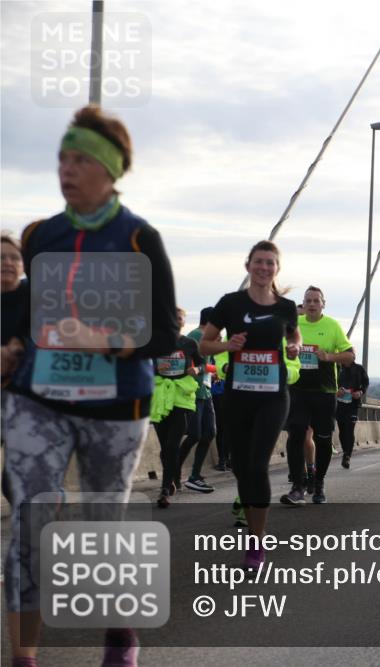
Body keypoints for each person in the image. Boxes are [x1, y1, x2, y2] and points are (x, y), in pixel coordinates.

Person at [3, 105, 179, 666]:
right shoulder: (39, 235)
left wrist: (104, 341)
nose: (66, 169)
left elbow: (165, 333)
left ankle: (119, 632)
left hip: (116, 401)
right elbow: (30, 306)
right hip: (39, 398)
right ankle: (24, 657)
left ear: (111, 170)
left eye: (80, 159)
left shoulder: (138, 239)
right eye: (62, 157)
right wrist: (12, 347)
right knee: (31, 517)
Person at [199, 239, 301, 570]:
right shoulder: (230, 303)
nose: (263, 267)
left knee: (257, 464)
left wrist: (294, 347)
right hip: (238, 395)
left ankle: (257, 543)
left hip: (273, 396)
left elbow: (294, 335)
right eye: (258, 262)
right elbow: (204, 346)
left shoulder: (285, 307)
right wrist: (229, 343)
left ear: (277, 268)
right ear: (248, 266)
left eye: (270, 263)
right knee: (243, 469)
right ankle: (251, 522)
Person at [279, 286, 353, 504]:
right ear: (303, 304)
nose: (311, 304)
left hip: (324, 391)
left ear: (323, 304)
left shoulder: (332, 326)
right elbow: (278, 350)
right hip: (298, 389)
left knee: (323, 440)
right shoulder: (293, 326)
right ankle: (297, 486)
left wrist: (328, 356)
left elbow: (349, 356)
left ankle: (318, 482)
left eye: (316, 301)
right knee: (296, 436)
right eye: (308, 301)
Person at [151, 308, 203, 507]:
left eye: (178, 319)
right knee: (165, 448)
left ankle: (165, 489)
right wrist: (154, 367)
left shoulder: (189, 344)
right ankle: (172, 478)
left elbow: (202, 363)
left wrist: (196, 369)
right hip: (160, 398)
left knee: (173, 445)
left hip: (181, 398)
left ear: (183, 322)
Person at [176, 306, 219, 493]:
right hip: (193, 392)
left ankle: (195, 475)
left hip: (206, 391)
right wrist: (206, 369)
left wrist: (212, 371)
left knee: (210, 432)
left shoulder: (208, 338)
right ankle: (174, 471)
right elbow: (193, 364)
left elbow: (209, 365)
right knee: (195, 434)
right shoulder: (195, 335)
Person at [1, 233, 28, 383]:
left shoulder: (39, 296)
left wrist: (19, 345)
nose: (8, 263)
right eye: (1, 258)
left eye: (15, 258)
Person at [335, 356, 369, 469]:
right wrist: (336, 391)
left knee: (349, 429)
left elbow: (366, 383)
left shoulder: (359, 369)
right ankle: (345, 451)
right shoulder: (337, 367)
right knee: (342, 431)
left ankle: (347, 456)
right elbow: (330, 382)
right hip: (339, 404)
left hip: (353, 404)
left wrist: (360, 392)